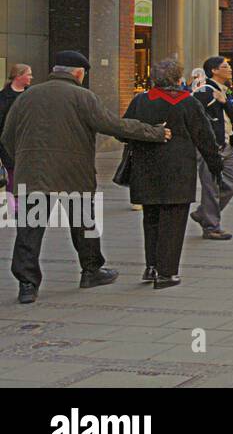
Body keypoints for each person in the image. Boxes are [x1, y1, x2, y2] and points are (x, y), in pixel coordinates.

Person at [2, 51, 170, 304]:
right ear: (79, 73)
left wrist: (26, 158)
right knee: (84, 226)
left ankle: (27, 284)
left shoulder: (28, 96)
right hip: (73, 174)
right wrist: (155, 133)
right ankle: (91, 271)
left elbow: (7, 136)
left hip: (33, 175)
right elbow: (113, 125)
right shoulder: (83, 97)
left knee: (29, 230)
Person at [121, 58, 223, 289]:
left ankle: (152, 266)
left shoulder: (141, 100)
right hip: (178, 172)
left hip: (146, 170)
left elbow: (123, 131)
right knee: (173, 222)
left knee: (152, 219)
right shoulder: (188, 102)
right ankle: (167, 273)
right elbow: (205, 137)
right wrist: (215, 165)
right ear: (179, 78)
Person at [192, 56, 233, 239]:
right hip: (211, 147)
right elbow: (196, 119)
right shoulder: (204, 92)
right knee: (210, 187)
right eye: (225, 66)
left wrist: (224, 102)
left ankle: (204, 212)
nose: (229, 69)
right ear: (214, 71)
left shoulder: (224, 91)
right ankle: (211, 227)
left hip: (227, 144)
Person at [0, 64, 33, 214]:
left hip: (28, 142)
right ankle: (14, 206)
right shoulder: (3, 97)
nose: (31, 77)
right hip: (8, 143)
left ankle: (24, 203)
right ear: (18, 76)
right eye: (28, 74)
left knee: (26, 175)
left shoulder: (32, 95)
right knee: (12, 175)